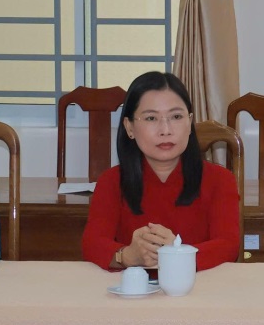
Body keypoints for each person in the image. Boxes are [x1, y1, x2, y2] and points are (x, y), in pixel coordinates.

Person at [82, 72, 240, 272]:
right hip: (131, 289)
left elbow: (228, 245)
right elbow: (92, 243)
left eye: (176, 117)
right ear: (129, 127)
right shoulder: (111, 181)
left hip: (197, 287)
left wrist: (178, 253)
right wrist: (126, 256)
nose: (165, 130)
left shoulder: (220, 180)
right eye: (151, 118)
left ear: (190, 123)